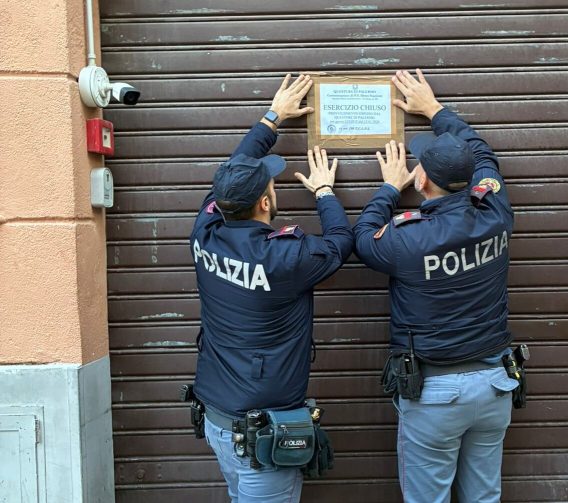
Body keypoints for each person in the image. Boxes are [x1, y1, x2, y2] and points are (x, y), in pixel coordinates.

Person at [353, 69, 518, 503]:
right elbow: (484, 156)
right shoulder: (495, 210)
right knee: (484, 498)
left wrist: (389, 187)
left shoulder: (406, 239)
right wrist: (435, 110)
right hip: (495, 384)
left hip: (436, 394)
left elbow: (363, 238)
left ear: (419, 180)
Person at [189, 74, 353, 502]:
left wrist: (271, 118)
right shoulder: (284, 257)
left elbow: (228, 178)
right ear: (265, 202)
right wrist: (324, 192)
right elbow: (340, 244)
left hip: (220, 422)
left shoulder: (205, 230)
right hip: (260, 436)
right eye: (270, 184)